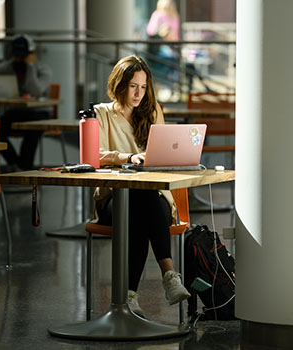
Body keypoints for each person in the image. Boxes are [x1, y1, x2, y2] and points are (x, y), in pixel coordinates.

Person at [93, 55, 191, 318]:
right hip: (113, 199)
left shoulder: (153, 111)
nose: (139, 93)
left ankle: (128, 299)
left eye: (143, 87)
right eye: (133, 86)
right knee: (137, 200)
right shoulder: (101, 113)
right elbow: (94, 154)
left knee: (139, 205)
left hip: (151, 198)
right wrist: (127, 157)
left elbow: (166, 152)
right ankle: (169, 274)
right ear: (119, 85)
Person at [0, 34, 52, 170]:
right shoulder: (7, 67)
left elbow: (35, 91)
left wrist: (30, 67)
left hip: (39, 113)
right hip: (16, 111)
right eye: (16, 55)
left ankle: (24, 168)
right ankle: (16, 164)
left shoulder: (43, 70)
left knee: (33, 130)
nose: (18, 59)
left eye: (22, 56)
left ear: (31, 54)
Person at [146, 0, 180, 80]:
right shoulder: (160, 15)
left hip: (169, 49)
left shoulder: (172, 16)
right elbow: (151, 32)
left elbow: (150, 31)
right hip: (161, 49)